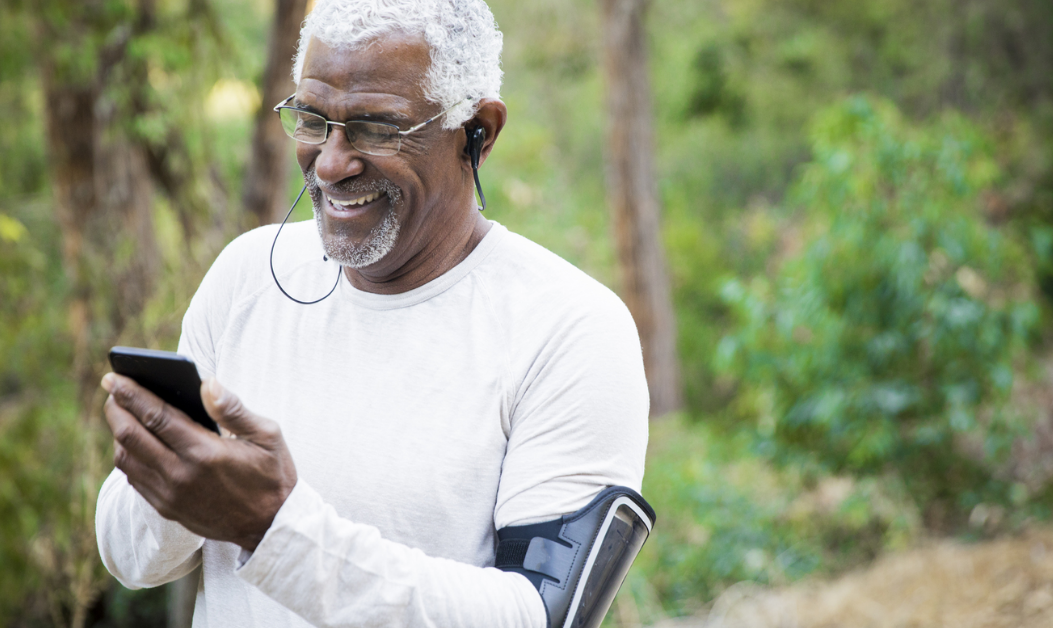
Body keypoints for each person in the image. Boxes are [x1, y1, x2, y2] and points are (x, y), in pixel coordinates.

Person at [94, 0, 650, 626]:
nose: (330, 164)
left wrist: (273, 527)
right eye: (311, 119)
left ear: (479, 132)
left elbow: (543, 616)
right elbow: (129, 559)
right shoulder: (247, 277)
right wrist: (171, 480)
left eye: (378, 129)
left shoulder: (569, 328)